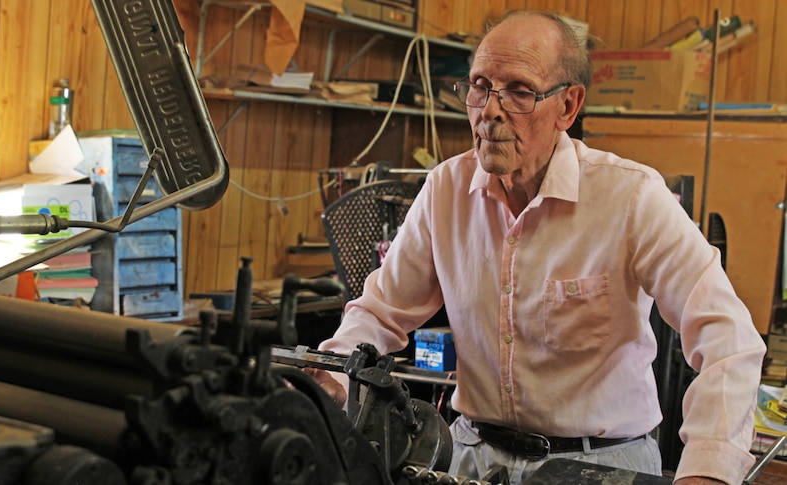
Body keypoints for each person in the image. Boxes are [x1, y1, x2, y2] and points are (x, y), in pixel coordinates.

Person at [311, 10, 767, 485]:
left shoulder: (631, 196)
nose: (489, 109)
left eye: (520, 92)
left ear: (568, 107)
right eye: (479, 86)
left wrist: (708, 472)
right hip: (471, 459)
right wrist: (331, 376)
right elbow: (380, 312)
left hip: (600, 465)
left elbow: (728, 341)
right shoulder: (445, 189)